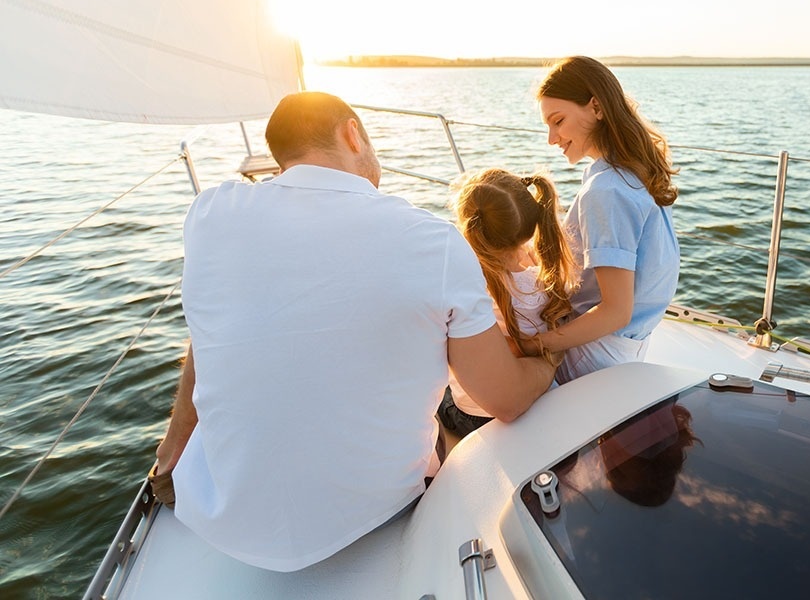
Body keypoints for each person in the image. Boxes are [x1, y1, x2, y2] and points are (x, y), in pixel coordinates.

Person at [150, 92, 555, 572]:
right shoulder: (432, 241)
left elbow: (207, 327)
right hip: (376, 515)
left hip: (217, 518)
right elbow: (502, 399)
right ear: (352, 133)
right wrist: (546, 358)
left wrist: (175, 443)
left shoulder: (209, 213)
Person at [531, 56, 680, 382]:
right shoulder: (636, 170)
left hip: (591, 354)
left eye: (558, 121)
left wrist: (535, 345)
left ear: (596, 107)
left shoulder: (606, 189)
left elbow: (615, 311)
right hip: (627, 349)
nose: (552, 139)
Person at [438, 168, 576, 438]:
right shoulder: (541, 276)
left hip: (473, 416)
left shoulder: (463, 283)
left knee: (442, 396)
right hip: (545, 394)